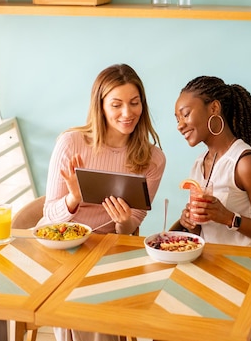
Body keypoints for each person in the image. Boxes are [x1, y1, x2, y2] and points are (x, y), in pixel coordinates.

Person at [42, 63, 166, 341]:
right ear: (100, 106)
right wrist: (74, 198)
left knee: (92, 304)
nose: (127, 113)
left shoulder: (152, 159)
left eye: (135, 103)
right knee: (75, 300)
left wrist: (123, 222)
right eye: (116, 104)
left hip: (107, 251)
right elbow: (49, 216)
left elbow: (131, 226)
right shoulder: (71, 143)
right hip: (62, 246)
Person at [174, 75, 251, 320]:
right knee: (169, 316)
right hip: (218, 267)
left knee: (212, 323)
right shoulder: (199, 165)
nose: (180, 125)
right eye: (177, 119)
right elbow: (201, 233)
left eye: (185, 114)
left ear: (214, 108)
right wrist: (189, 222)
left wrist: (229, 218)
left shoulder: (245, 162)